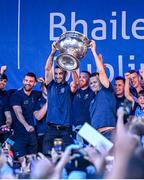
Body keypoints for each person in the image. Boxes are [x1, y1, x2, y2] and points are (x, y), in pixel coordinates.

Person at [43, 41, 78, 154]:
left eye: (60, 73)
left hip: (65, 130)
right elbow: (47, 69)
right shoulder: (50, 85)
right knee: (48, 158)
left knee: (65, 160)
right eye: (56, 73)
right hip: (51, 130)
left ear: (65, 74)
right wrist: (53, 52)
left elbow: (76, 83)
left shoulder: (69, 88)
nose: (58, 76)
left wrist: (72, 65)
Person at [10, 72, 41, 164]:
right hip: (19, 134)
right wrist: (26, 125)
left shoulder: (36, 94)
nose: (28, 83)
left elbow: (47, 94)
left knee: (33, 163)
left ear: (34, 83)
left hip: (32, 134)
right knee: (23, 163)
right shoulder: (16, 95)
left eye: (31, 81)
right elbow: (18, 112)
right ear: (23, 81)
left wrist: (43, 83)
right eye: (26, 80)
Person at [89, 40, 117, 140]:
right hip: (96, 137)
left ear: (101, 81)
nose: (93, 84)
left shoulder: (106, 90)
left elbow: (101, 72)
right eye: (91, 83)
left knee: (113, 156)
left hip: (110, 134)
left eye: (95, 82)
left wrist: (93, 51)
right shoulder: (92, 99)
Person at [0, 65, 13, 144]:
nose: (3, 83)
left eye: (5, 81)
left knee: (11, 142)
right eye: (1, 80)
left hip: (2, 129)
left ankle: (8, 154)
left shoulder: (5, 96)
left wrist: (7, 124)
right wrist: (2, 71)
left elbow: (8, 115)